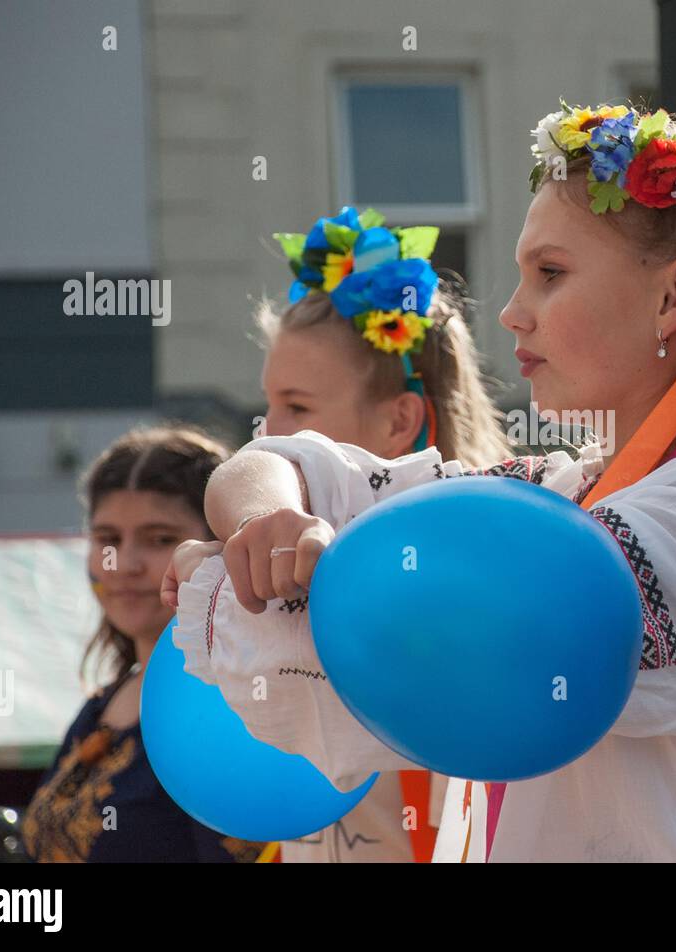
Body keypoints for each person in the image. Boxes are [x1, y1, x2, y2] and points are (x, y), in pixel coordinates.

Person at [167, 102, 676, 860]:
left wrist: (229, 582)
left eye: (550, 274)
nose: (513, 315)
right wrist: (267, 520)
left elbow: (481, 625)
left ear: (674, 297)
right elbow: (291, 467)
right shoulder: (555, 495)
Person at [203, 206, 514, 863]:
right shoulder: (280, 576)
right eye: (269, 404)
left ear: (401, 421)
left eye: (298, 407)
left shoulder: (471, 578)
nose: (270, 430)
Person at [20, 425, 268, 862]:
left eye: (160, 540)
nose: (125, 564)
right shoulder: (102, 706)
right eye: (108, 540)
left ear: (219, 548)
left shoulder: (233, 710)